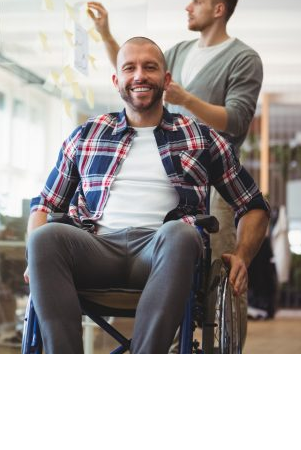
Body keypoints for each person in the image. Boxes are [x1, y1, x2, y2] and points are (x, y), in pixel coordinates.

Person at [23, 37, 269, 353]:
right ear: (117, 81)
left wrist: (243, 256)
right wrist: (35, 258)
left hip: (163, 250)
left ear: (166, 80)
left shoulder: (198, 135)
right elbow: (45, 203)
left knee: (181, 234)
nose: (140, 75)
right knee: (43, 239)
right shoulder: (88, 134)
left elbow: (252, 203)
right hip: (96, 246)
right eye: (130, 68)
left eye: (150, 67)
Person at [87, 0, 263, 345]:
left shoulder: (242, 59)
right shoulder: (180, 51)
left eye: (196, 1)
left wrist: (186, 102)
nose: (187, 6)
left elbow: (236, 120)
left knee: (222, 273)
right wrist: (105, 34)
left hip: (210, 173)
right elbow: (135, 71)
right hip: (162, 161)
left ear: (218, 9)